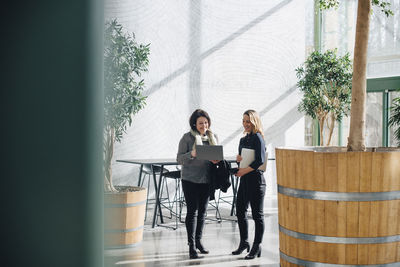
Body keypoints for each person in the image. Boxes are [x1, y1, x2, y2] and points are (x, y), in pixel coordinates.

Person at [177, 109, 219, 259]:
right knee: (192, 212)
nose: (204, 125)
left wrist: (216, 160)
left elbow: (215, 159)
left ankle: (199, 242)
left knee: (202, 212)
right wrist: (192, 154)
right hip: (190, 180)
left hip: (206, 180)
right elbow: (179, 159)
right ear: (195, 123)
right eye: (201, 123)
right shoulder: (187, 138)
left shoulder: (212, 137)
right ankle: (191, 245)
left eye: (206, 122)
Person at [232, 109, 266, 259]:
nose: (245, 124)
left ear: (254, 122)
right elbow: (243, 160)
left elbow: (259, 161)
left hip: (256, 181)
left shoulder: (258, 138)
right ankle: (244, 242)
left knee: (257, 215)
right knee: (240, 211)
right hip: (244, 180)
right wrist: (238, 160)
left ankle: (257, 246)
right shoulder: (243, 140)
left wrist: (243, 170)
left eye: (248, 121)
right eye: (244, 121)